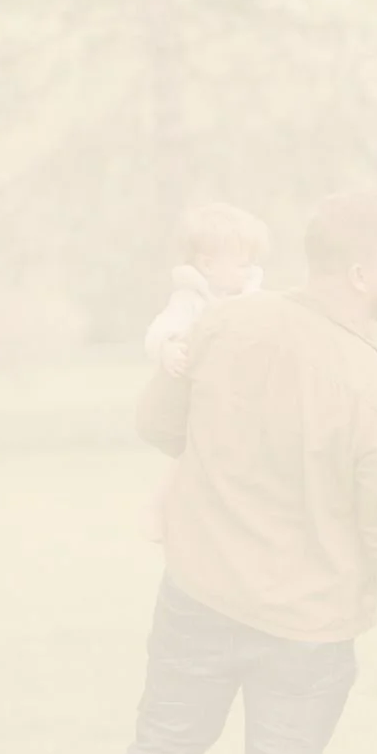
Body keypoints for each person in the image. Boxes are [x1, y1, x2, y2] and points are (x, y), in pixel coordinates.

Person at [71, 191, 377, 754]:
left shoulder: (228, 323)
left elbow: (159, 426)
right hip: (308, 627)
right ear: (360, 273)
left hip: (200, 593)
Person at [141, 202, 271, 542]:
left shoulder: (252, 298)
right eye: (241, 264)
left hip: (242, 398)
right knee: (187, 458)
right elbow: (161, 329)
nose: (249, 271)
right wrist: (168, 347)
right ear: (208, 265)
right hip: (203, 400)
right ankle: (161, 512)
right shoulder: (190, 300)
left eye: (250, 263)